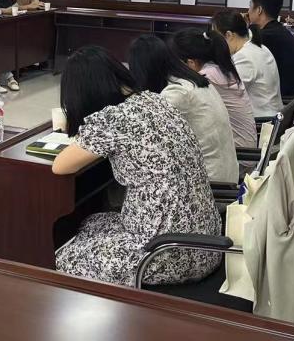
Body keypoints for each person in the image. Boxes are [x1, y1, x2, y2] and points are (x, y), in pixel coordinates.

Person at [52, 45, 221, 287]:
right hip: (203, 241)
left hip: (167, 252)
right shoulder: (154, 99)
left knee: (65, 256)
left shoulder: (115, 118)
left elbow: (60, 166)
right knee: (90, 224)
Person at [128, 34, 238, 185]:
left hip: (211, 185)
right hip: (224, 175)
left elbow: (141, 128)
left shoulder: (177, 92)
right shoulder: (194, 81)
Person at [169, 28, 257, 148]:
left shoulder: (207, 77)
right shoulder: (220, 69)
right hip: (245, 144)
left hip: (239, 151)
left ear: (191, 63)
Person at [211, 10, 283, 119]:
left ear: (229, 35)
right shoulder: (259, 47)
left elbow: (228, 95)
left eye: (216, 38)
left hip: (261, 121)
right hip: (272, 115)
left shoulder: (244, 57)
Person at [248, 0, 294, 101]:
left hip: (287, 101)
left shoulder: (265, 37)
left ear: (259, 10)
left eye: (250, 7)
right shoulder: (279, 30)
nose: (248, 11)